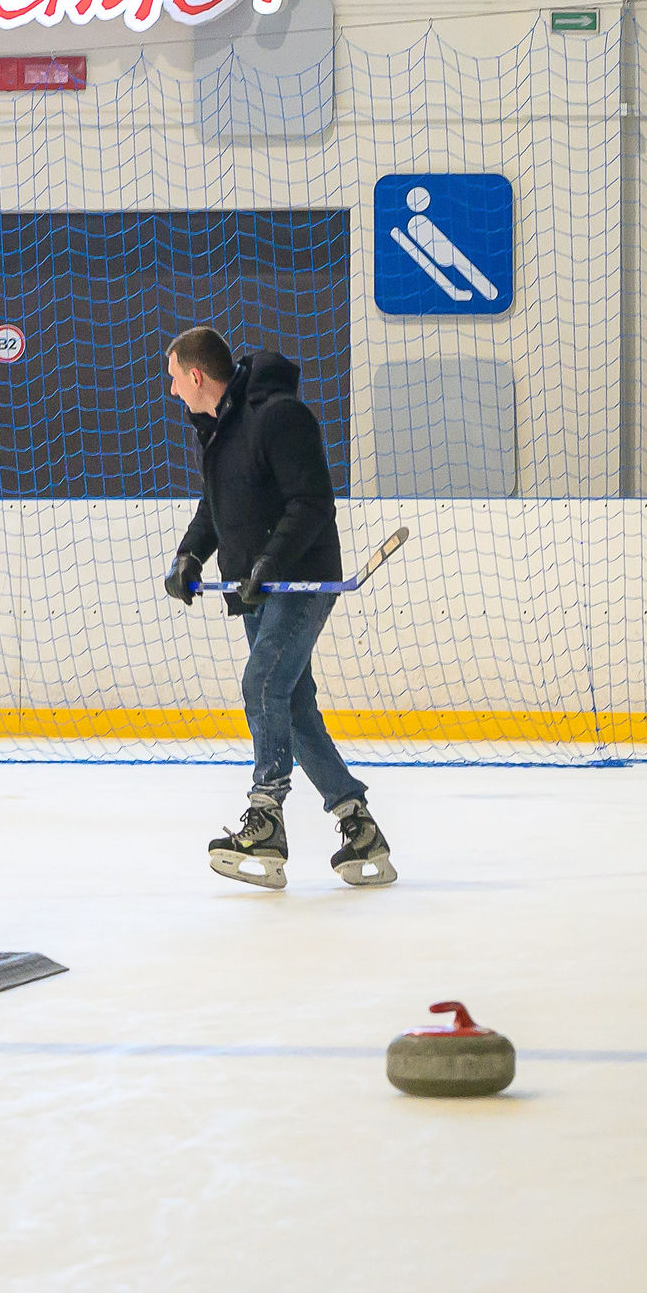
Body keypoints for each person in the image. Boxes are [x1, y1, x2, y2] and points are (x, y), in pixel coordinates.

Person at [162, 327, 393, 890]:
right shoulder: (221, 428)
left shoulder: (280, 416)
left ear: (196, 376)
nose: (171, 390)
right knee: (291, 707)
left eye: (173, 377)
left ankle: (265, 819)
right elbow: (218, 506)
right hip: (258, 590)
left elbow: (311, 502)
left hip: (300, 583)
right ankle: (357, 824)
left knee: (262, 683)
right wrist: (190, 556)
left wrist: (268, 564)